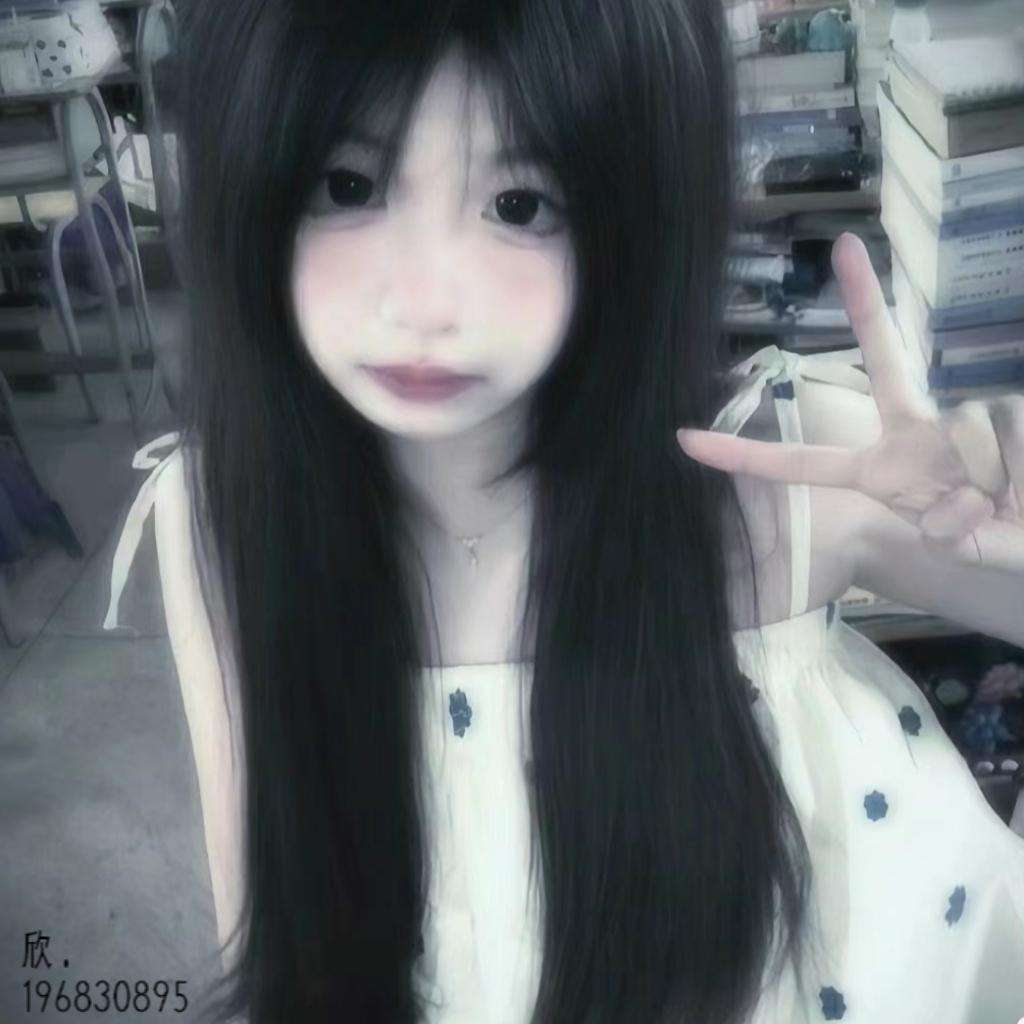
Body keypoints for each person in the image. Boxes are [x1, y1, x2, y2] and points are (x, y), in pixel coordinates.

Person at [103, 1, 1024, 1021]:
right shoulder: (218, 514)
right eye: (348, 185)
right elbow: (276, 943)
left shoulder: (786, 474)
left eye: (519, 203)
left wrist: (1006, 504)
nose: (425, 303)